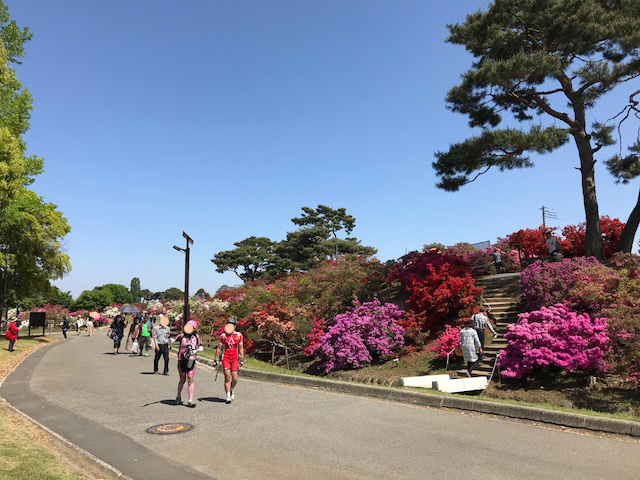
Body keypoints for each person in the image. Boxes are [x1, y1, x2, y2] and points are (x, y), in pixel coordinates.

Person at [213, 317, 244, 404]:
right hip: (225, 357)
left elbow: (241, 348)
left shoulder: (238, 335)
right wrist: (215, 359)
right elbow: (219, 348)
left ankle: (231, 389)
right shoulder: (223, 336)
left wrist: (241, 358)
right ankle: (228, 396)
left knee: (235, 378)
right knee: (227, 376)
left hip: (234, 358)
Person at [173, 320, 202, 408]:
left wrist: (198, 349)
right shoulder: (181, 336)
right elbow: (173, 340)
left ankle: (190, 400)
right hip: (181, 360)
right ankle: (178, 396)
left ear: (194, 329)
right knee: (182, 379)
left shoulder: (196, 337)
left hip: (191, 360)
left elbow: (200, 346)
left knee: (190, 378)